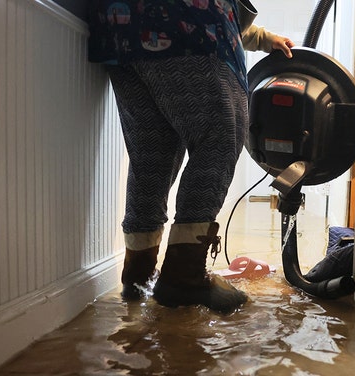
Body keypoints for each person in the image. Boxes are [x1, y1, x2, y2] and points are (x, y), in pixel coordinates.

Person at [87, 0, 294, 313]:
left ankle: (138, 275)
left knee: (151, 156)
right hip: (187, 25)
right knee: (220, 136)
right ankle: (184, 277)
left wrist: (262, 38)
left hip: (119, 29)